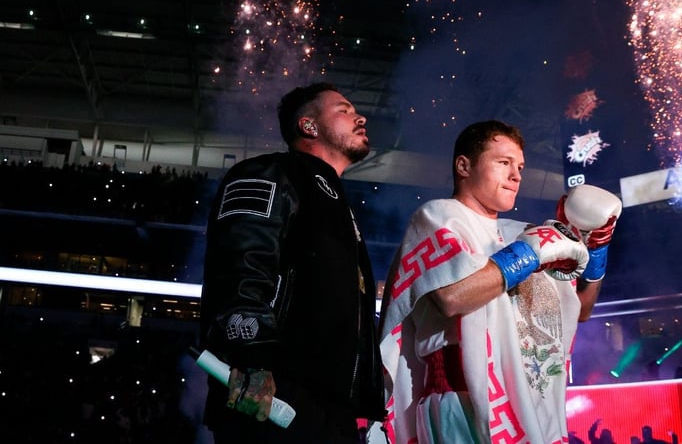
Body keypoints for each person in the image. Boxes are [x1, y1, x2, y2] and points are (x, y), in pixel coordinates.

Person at [376, 120, 621, 443]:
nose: (516, 175)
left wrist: (595, 251)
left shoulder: (521, 232)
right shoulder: (439, 217)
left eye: (519, 166)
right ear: (464, 166)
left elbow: (580, 310)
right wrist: (529, 255)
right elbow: (452, 297)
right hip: (460, 402)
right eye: (503, 163)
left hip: (525, 402)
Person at [199, 82, 386, 443]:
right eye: (344, 110)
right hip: (273, 395)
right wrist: (253, 359)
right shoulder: (268, 173)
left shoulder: (338, 205)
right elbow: (241, 267)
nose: (360, 117)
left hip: (330, 412)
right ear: (309, 126)